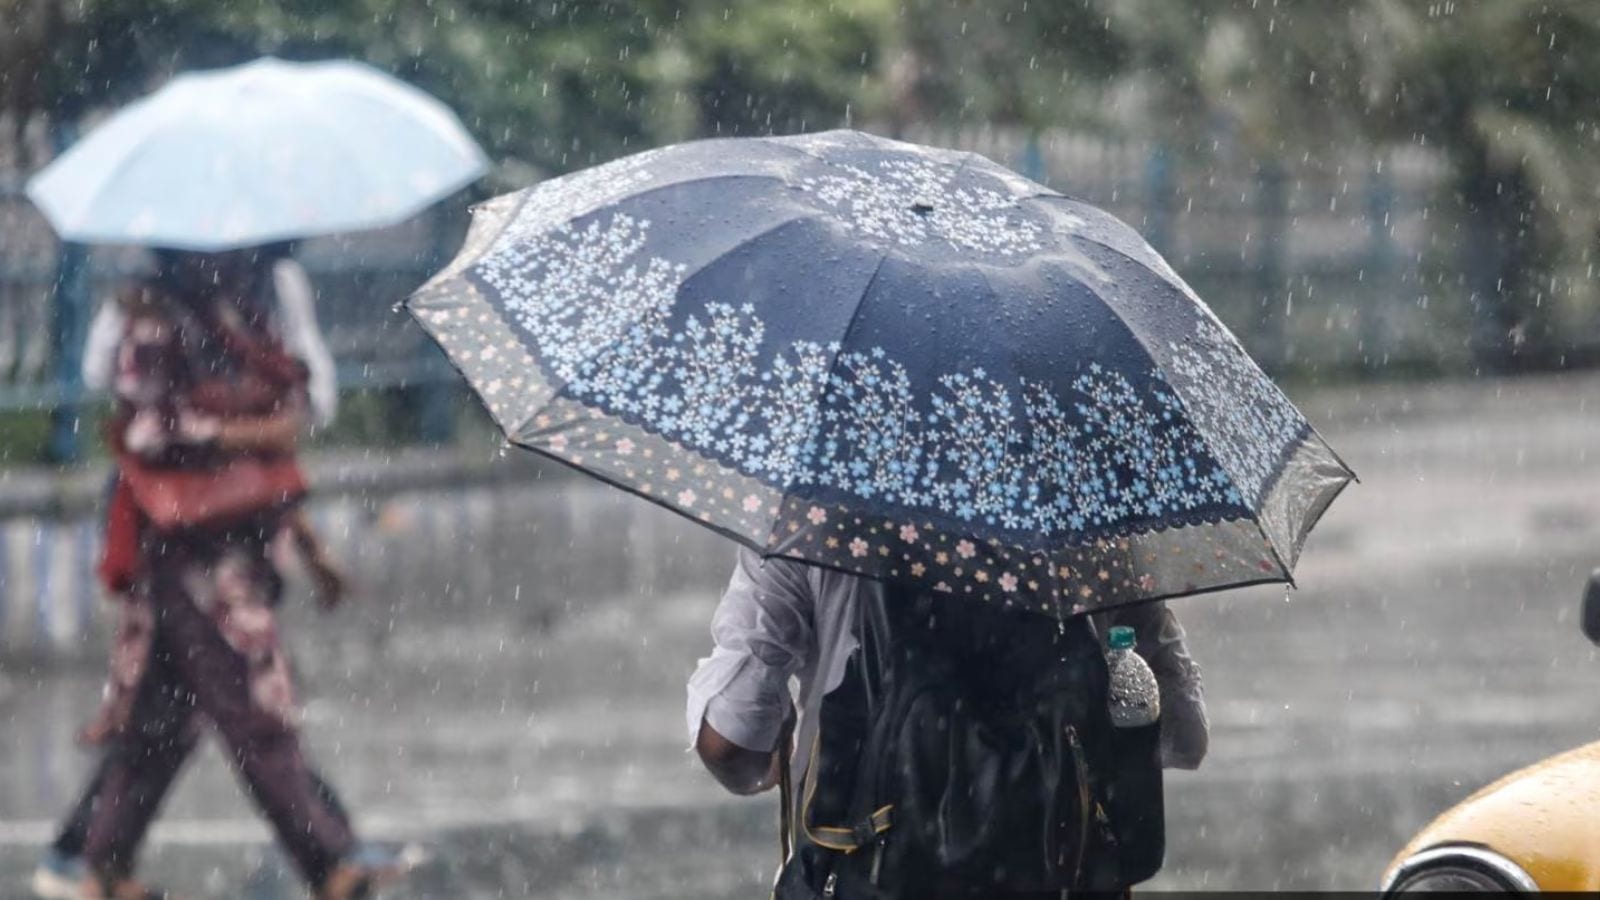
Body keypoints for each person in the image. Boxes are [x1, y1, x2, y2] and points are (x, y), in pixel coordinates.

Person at [42, 251, 391, 900]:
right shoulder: (149, 312)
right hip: (186, 552)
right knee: (252, 710)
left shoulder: (253, 301)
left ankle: (98, 863)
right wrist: (247, 427)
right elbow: (148, 428)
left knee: (161, 723)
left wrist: (305, 534)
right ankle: (330, 862)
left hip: (238, 542)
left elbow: (295, 410)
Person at [688, 548, 1209, 898]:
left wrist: (776, 764)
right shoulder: (1087, 510)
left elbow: (729, 739)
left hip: (866, 867)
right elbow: (1182, 734)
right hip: (1056, 868)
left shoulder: (811, 513)